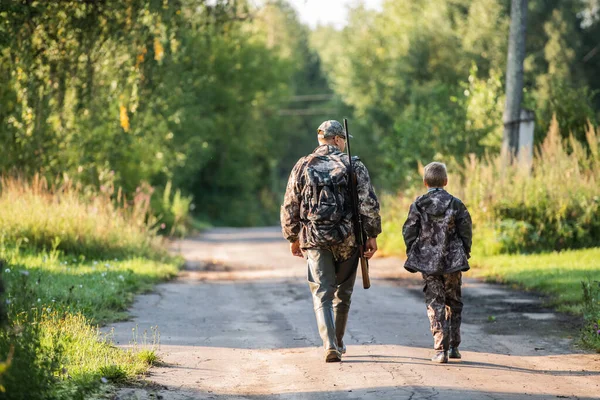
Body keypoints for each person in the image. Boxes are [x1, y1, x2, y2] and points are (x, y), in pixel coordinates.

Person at [281, 120, 381, 363]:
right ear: (337, 139)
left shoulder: (303, 165)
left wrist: (293, 236)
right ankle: (338, 340)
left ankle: (330, 345)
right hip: (347, 237)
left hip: (314, 237)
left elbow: (290, 204)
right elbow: (368, 203)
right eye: (344, 139)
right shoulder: (353, 164)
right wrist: (371, 235)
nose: (345, 143)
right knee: (343, 292)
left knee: (322, 292)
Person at [402, 162, 472, 363]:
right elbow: (466, 229)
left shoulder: (418, 204)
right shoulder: (456, 203)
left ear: (425, 182)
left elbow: (409, 230)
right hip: (454, 261)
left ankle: (440, 349)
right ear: (446, 181)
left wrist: (413, 250)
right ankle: (454, 347)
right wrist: (465, 250)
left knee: (435, 302)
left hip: (428, 262)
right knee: (454, 301)